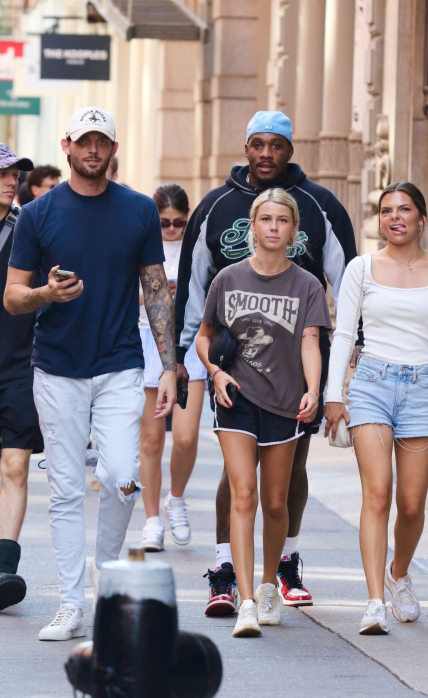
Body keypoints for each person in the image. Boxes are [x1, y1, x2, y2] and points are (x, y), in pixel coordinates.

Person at [4, 106, 177, 641]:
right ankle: (71, 603)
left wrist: (170, 367)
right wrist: (45, 295)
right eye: (85, 141)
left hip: (121, 365)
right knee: (63, 492)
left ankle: (105, 579)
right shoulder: (38, 213)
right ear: (67, 145)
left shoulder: (139, 211)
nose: (93, 150)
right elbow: (12, 297)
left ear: (114, 149)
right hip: (55, 369)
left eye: (102, 141)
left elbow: (155, 290)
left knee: (125, 477)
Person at [176, 110, 358, 615]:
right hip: (232, 365)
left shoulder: (321, 206)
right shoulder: (214, 206)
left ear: (289, 150)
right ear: (247, 146)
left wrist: (343, 366)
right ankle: (225, 569)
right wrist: (189, 361)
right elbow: (194, 289)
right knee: (237, 479)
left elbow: (348, 285)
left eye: (275, 145)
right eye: (257, 144)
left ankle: (284, 564)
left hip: (300, 360)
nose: (265, 154)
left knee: (289, 470)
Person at [324, 181, 428, 635]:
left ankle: (398, 573)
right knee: (378, 493)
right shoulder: (360, 270)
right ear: (380, 220)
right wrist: (333, 395)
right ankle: (373, 601)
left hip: (423, 384)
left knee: (410, 503)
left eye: (405, 210)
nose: (395, 217)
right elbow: (343, 334)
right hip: (371, 383)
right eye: (387, 211)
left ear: (422, 219)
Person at [197, 188, 330, 637]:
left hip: (285, 401)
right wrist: (215, 372)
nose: (273, 227)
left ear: (294, 230)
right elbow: (204, 336)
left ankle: (271, 583)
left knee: (276, 503)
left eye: (282, 221)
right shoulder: (228, 279)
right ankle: (248, 601)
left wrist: (314, 390)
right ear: (253, 226)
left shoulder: (307, 284)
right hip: (236, 397)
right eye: (266, 219)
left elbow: (310, 340)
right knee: (243, 495)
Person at [139, 184, 207, 551]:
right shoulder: (142, 240)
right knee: (150, 439)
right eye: (164, 222)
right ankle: (151, 520)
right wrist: (157, 292)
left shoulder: (196, 244)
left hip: (189, 340)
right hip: (147, 337)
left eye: (178, 222)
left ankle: (175, 499)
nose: (170, 229)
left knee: (185, 436)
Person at [0, 144, 44, 612]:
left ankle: (4, 568)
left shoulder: (26, 229)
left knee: (14, 464)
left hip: (18, 364)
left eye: (15, 173)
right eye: (4, 173)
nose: (12, 180)